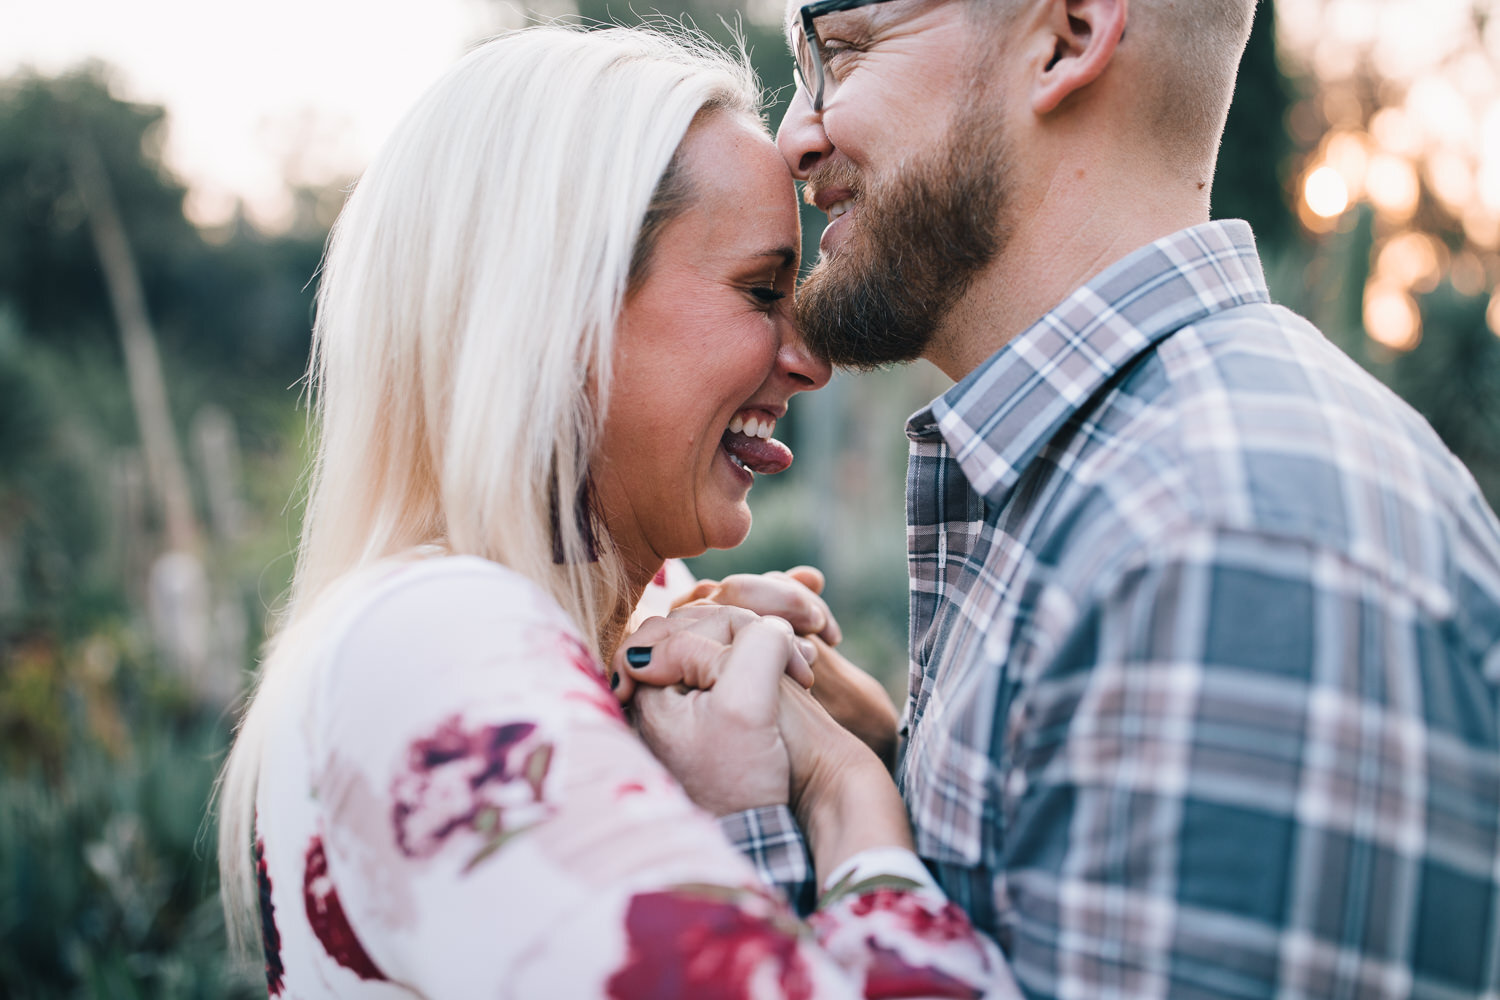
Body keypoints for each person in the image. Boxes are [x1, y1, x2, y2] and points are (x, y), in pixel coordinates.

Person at [622, 0, 1500, 997]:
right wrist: (872, 760)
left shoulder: (1222, 543)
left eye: (847, 49)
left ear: (1071, 34)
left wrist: (750, 839)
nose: (797, 131)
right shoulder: (1128, 494)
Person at [214, 24, 1018, 998]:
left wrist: (839, 736)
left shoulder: (547, 648)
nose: (809, 359)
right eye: (761, 289)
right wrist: (844, 796)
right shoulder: (433, 647)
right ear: (557, 314)